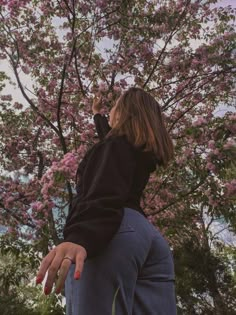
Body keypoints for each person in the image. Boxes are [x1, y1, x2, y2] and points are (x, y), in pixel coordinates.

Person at [36, 87, 177, 315]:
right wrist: (96, 115)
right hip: (144, 234)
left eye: (115, 107)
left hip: (110, 230)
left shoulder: (113, 147)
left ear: (123, 113)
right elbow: (109, 137)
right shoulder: (134, 151)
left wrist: (81, 237)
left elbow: (104, 188)